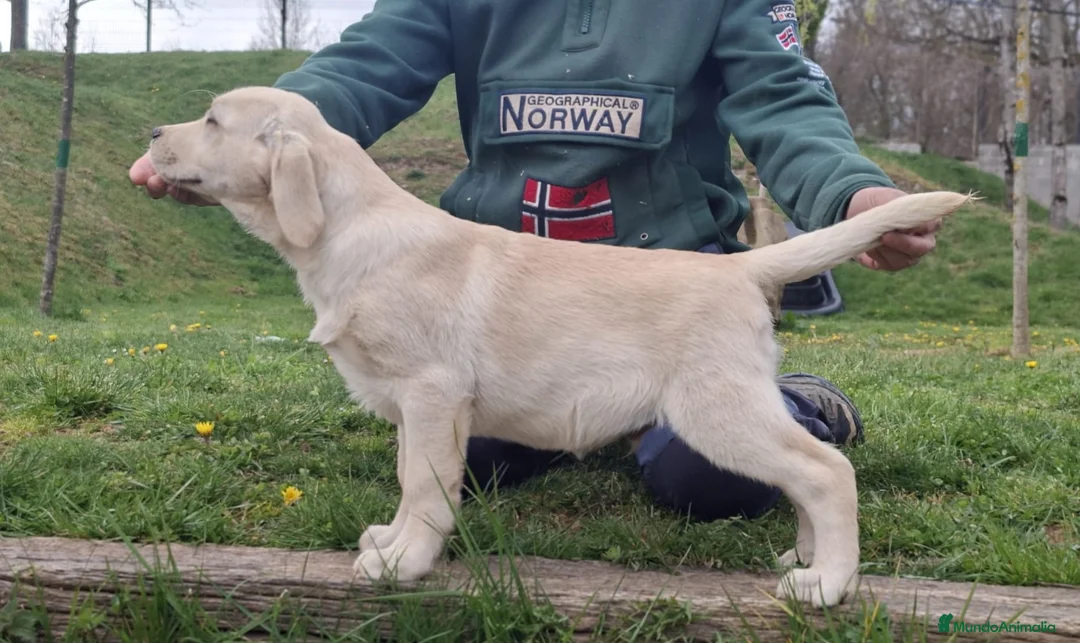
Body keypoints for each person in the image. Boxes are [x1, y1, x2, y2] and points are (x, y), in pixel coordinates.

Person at [129, 0, 941, 523]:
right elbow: (358, 73)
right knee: (469, 461)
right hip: (505, 302)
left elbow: (782, 97)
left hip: (663, 287)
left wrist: (849, 194)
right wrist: (240, 158)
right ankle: (594, 419)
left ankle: (791, 404)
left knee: (710, 483)